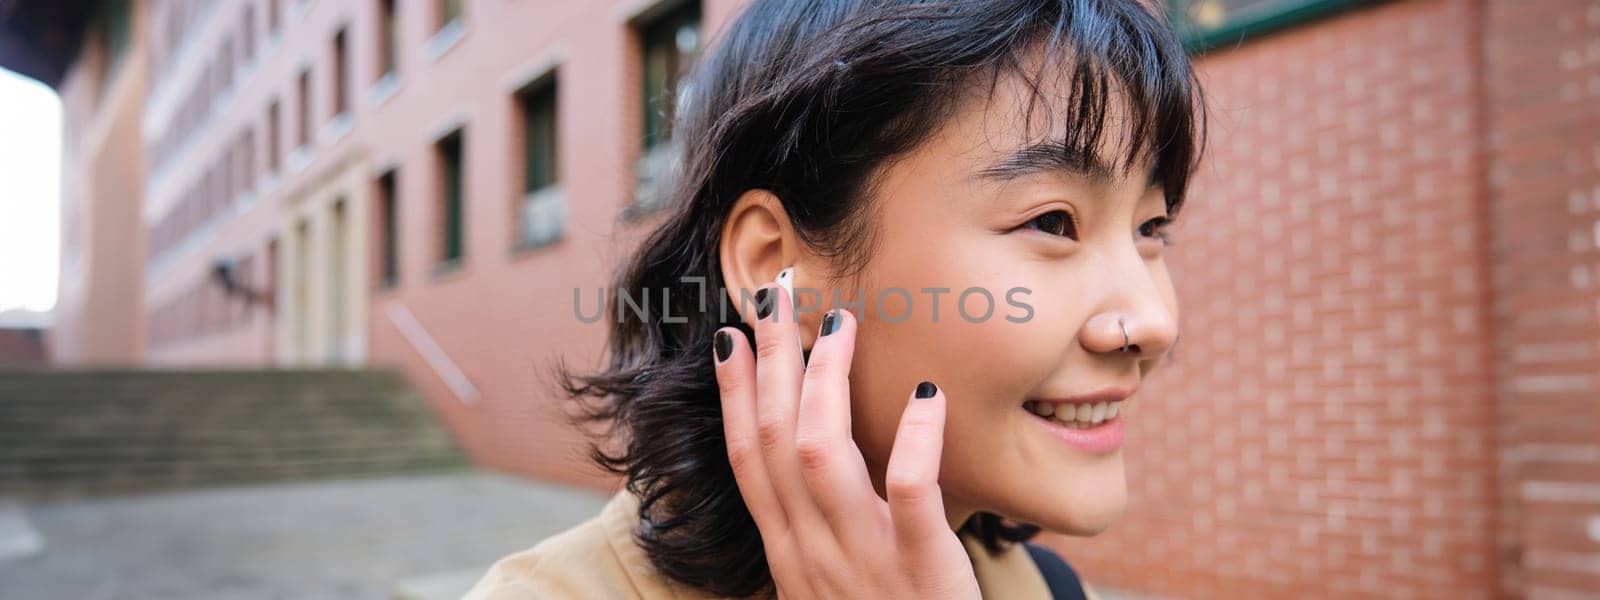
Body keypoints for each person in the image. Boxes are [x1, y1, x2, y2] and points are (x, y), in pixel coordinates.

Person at [467, 0, 1206, 597]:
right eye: (1052, 222)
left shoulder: (1046, 587)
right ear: (775, 268)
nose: (1152, 321)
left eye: (1152, 228)